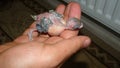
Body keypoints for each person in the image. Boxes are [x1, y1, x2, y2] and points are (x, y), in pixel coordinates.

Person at [0, 2, 91, 68]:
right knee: (42, 27)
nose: (76, 28)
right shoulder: (61, 26)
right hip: (44, 20)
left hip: (49, 20)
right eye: (75, 26)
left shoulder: (62, 25)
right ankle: (33, 31)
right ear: (71, 26)